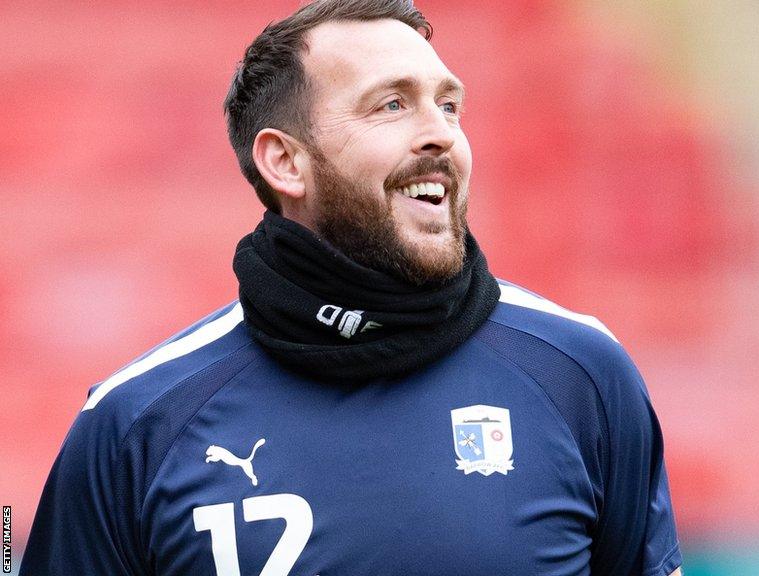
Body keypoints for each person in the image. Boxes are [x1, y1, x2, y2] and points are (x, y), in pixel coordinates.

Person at [22, 1, 683, 574]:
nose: (440, 135)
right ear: (285, 162)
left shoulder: (581, 374)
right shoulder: (137, 421)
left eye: (448, 105)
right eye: (392, 104)